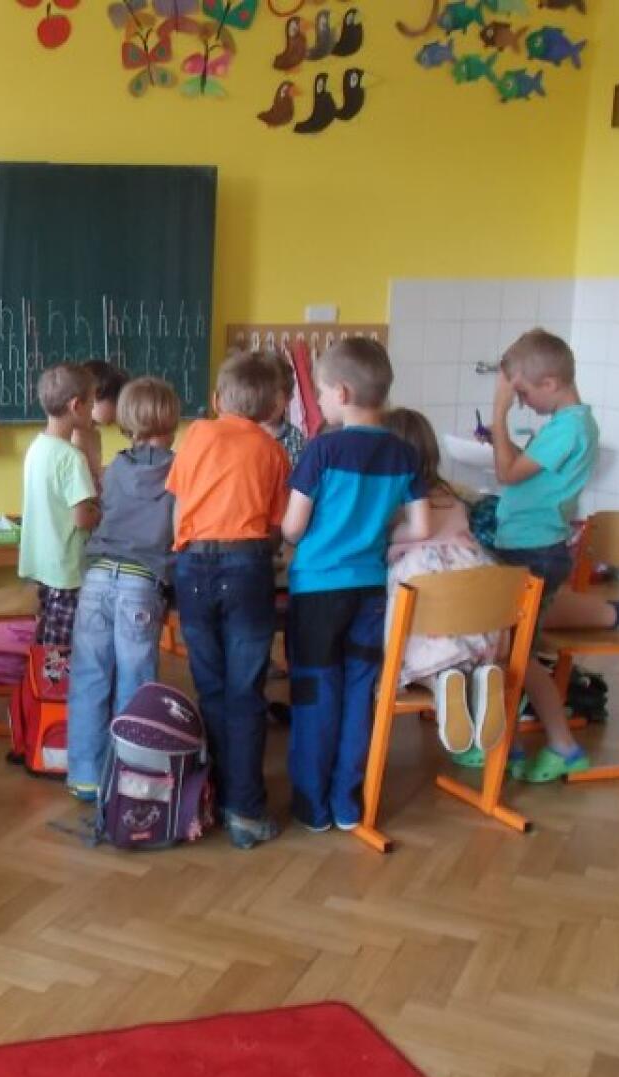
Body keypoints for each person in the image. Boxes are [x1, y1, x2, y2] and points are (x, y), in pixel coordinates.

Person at [487, 329, 619, 782]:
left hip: (534, 551)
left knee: (517, 655)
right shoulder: (569, 426)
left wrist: (499, 414)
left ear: (551, 383)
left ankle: (562, 746)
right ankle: (510, 741)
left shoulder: (570, 428)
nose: (521, 403)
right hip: (529, 546)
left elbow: (507, 473)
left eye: (523, 393)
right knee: (509, 651)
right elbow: (524, 472)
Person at [281, 339, 429, 832]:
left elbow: (293, 529)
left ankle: (313, 805)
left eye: (321, 392)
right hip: (369, 591)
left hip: (316, 592)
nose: (320, 401)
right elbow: (421, 528)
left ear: (341, 393)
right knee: (357, 694)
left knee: (315, 693)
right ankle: (347, 804)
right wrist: (381, 538)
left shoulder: (322, 449)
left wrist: (297, 534)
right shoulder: (405, 454)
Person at [167, 353, 290, 849]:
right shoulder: (273, 451)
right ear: (275, 406)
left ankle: (213, 795)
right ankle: (246, 810)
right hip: (247, 566)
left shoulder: (195, 435)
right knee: (246, 692)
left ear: (217, 399)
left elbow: (178, 507)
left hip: (191, 565)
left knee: (211, 687)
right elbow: (278, 528)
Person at [66, 377, 179, 804]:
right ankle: (130, 774)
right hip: (140, 583)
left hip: (96, 579)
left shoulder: (114, 469)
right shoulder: (178, 471)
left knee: (89, 676)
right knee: (136, 680)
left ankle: (85, 775)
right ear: (172, 420)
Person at [382, 407, 504, 764]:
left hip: (428, 594)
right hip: (478, 593)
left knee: (409, 640)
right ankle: (476, 676)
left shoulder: (396, 502)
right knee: (457, 638)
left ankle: (439, 682)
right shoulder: (450, 496)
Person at [19, 364, 101, 648]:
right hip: (66, 569)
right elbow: (82, 518)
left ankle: (42, 673)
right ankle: (54, 677)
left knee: (47, 630)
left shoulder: (36, 447)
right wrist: (100, 512)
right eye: (92, 403)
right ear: (76, 405)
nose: (94, 411)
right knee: (63, 641)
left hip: (41, 563)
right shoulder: (72, 458)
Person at [72, 359, 129, 489]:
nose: (118, 408)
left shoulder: (94, 434)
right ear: (93, 396)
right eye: (114, 400)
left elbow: (94, 476)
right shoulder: (73, 437)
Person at [262, 351, 307, 468]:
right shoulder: (240, 433)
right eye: (261, 395)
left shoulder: (296, 439)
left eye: (274, 395)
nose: (266, 402)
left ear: (288, 398)